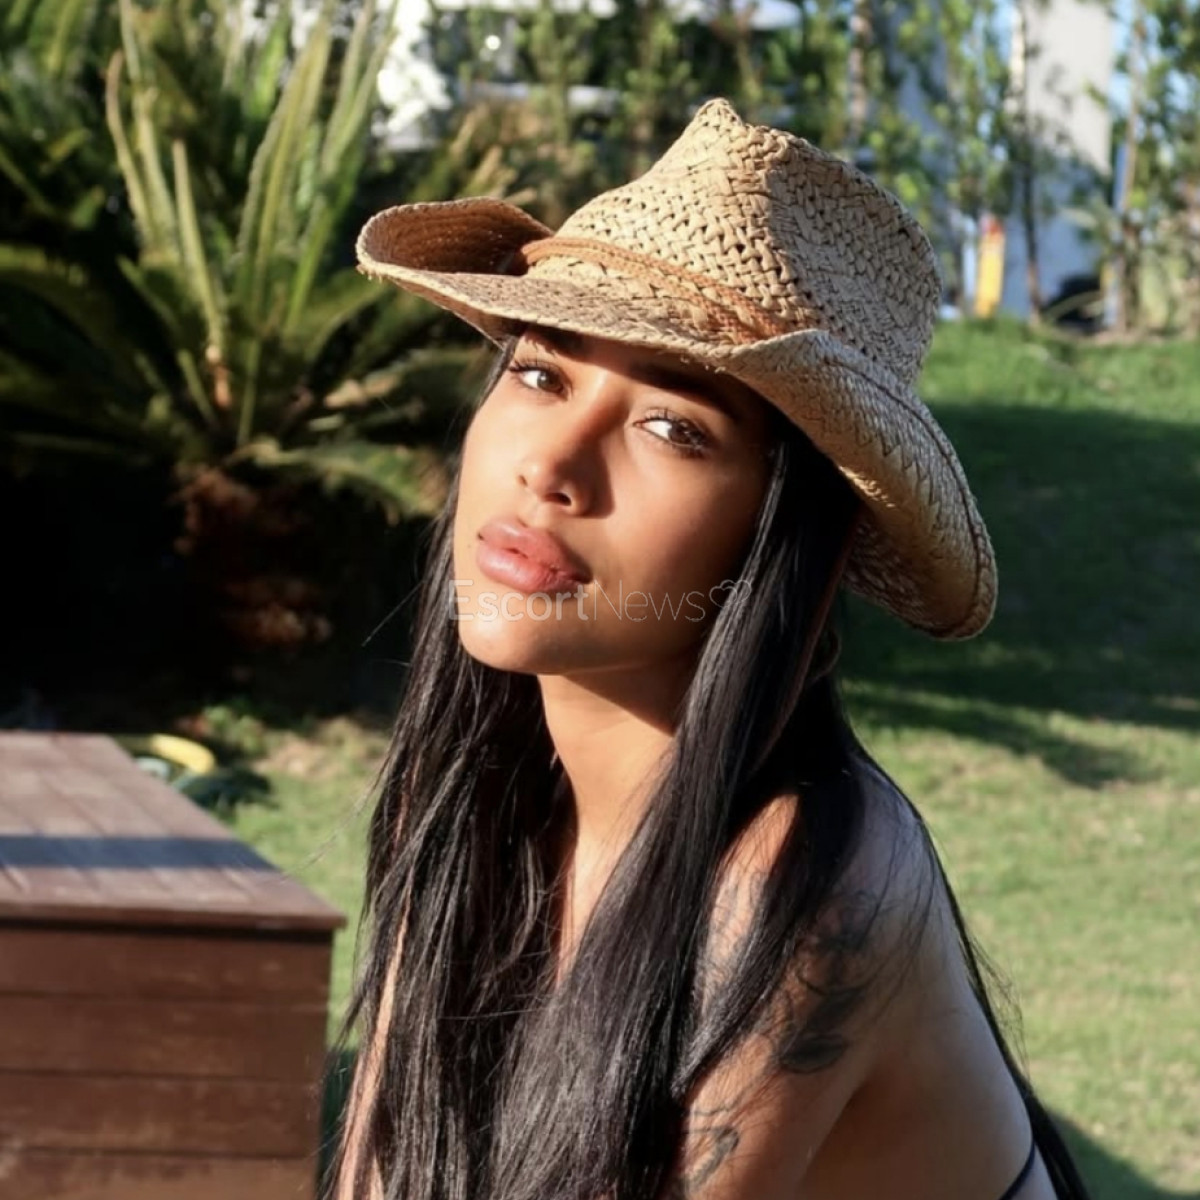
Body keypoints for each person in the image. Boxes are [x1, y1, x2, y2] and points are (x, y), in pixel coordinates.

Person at [328, 98, 1093, 1200]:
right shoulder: (464, 798)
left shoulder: (807, 891)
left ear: (785, 541)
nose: (552, 465)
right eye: (542, 375)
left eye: (673, 429)